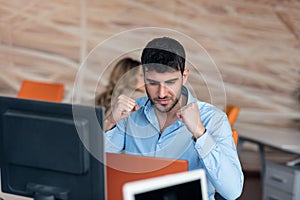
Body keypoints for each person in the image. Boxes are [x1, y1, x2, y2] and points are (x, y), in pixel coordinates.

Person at [104, 37, 244, 199]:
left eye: (170, 82)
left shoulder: (213, 119)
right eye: (153, 83)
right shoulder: (131, 113)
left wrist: (200, 133)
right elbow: (100, 168)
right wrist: (110, 122)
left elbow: (233, 192)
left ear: (184, 76)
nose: (162, 93)